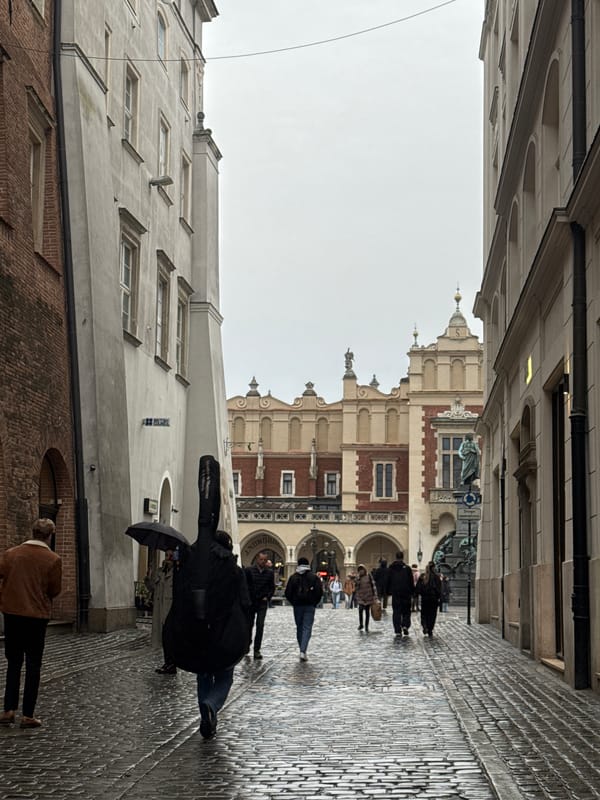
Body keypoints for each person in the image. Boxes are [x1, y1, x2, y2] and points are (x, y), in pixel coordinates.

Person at [0, 518, 62, 728]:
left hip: (12, 614)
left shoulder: (11, 554)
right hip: (36, 617)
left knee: (14, 663)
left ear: (33, 532)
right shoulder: (53, 559)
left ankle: (8, 710)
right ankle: (28, 715)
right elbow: (54, 590)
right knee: (34, 665)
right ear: (49, 535)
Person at [195, 531, 250, 739]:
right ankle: (212, 705)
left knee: (204, 673)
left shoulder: (198, 568)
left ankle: (205, 716)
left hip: (200, 629)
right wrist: (246, 634)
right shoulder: (234, 570)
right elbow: (245, 603)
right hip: (227, 629)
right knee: (225, 675)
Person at [285, 557, 323, 661]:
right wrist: (314, 602)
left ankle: (302, 649)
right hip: (309, 606)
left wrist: (294, 602)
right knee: (307, 627)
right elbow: (319, 591)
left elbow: (287, 592)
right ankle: (303, 650)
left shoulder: (293, 577)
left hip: (297, 606)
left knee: (299, 627)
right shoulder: (314, 577)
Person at [147, 549, 177, 674]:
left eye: (170, 556)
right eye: (166, 555)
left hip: (171, 609)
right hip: (160, 609)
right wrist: (148, 578)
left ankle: (172, 664)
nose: (168, 558)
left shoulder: (177, 573)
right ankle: (168, 662)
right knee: (164, 638)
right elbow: (152, 588)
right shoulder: (160, 572)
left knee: (170, 638)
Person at [245, 551, 275, 660]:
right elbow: (245, 585)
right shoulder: (249, 571)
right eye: (261, 559)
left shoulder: (269, 573)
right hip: (251, 602)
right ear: (257, 559)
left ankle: (257, 650)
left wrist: (268, 596)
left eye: (265, 560)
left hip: (262, 602)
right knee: (249, 625)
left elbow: (272, 587)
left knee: (260, 625)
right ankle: (247, 645)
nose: (263, 562)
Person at [385, 551, 414, 637]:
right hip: (406, 593)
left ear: (396, 557)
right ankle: (405, 625)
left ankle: (397, 629)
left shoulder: (391, 568)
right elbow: (411, 581)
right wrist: (412, 591)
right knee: (406, 611)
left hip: (396, 593)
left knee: (396, 611)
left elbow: (388, 580)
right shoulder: (407, 568)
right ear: (402, 557)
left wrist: (387, 591)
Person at [416, 561, 442, 636]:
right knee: (432, 615)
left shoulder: (422, 576)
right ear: (433, 568)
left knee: (424, 614)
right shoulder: (436, 577)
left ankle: (425, 626)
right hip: (433, 599)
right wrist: (439, 597)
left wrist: (419, 594)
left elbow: (418, 588)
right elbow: (439, 589)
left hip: (425, 599)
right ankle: (430, 629)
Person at [354, 564, 377, 633]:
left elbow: (373, 586)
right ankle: (361, 624)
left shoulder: (369, 576)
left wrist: (375, 596)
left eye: (362, 569)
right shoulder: (358, 578)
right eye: (359, 570)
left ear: (364, 570)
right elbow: (356, 587)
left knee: (367, 612)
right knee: (360, 610)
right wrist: (357, 580)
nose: (361, 571)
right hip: (361, 597)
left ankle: (366, 626)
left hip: (368, 597)